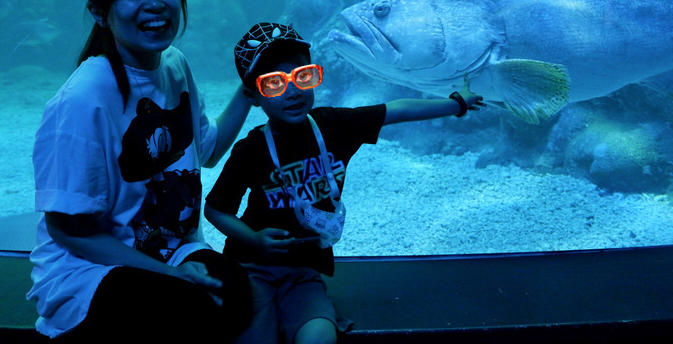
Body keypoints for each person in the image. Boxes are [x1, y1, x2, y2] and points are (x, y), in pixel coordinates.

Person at [27, 0, 252, 342]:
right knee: (178, 311)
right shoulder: (83, 100)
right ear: (99, 10)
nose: (154, 3)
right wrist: (172, 275)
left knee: (236, 293)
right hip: (88, 269)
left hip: (169, 248)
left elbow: (206, 151)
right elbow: (68, 230)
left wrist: (248, 89)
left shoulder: (174, 64)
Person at [204, 22, 484, 344]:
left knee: (320, 337)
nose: (292, 91)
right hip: (250, 267)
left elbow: (394, 111)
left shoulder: (333, 126)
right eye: (274, 84)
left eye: (302, 76)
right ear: (253, 95)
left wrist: (456, 104)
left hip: (305, 272)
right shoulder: (250, 150)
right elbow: (215, 210)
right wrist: (254, 240)